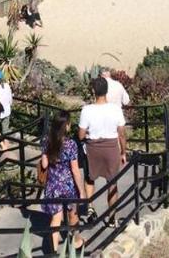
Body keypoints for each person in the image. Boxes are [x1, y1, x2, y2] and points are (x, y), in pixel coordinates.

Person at [78, 76, 127, 219]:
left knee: (89, 178)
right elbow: (122, 134)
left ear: (93, 91)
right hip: (111, 148)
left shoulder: (86, 110)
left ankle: (90, 206)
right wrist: (123, 152)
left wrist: (88, 132)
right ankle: (112, 216)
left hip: (92, 148)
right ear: (107, 91)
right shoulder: (115, 109)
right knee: (112, 182)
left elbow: (81, 135)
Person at [40, 111, 84, 253]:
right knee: (73, 214)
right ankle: (76, 242)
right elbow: (75, 170)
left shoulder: (47, 140)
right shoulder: (71, 144)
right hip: (68, 185)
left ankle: (53, 252)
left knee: (56, 219)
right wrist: (81, 190)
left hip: (53, 186)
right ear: (66, 126)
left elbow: (45, 165)